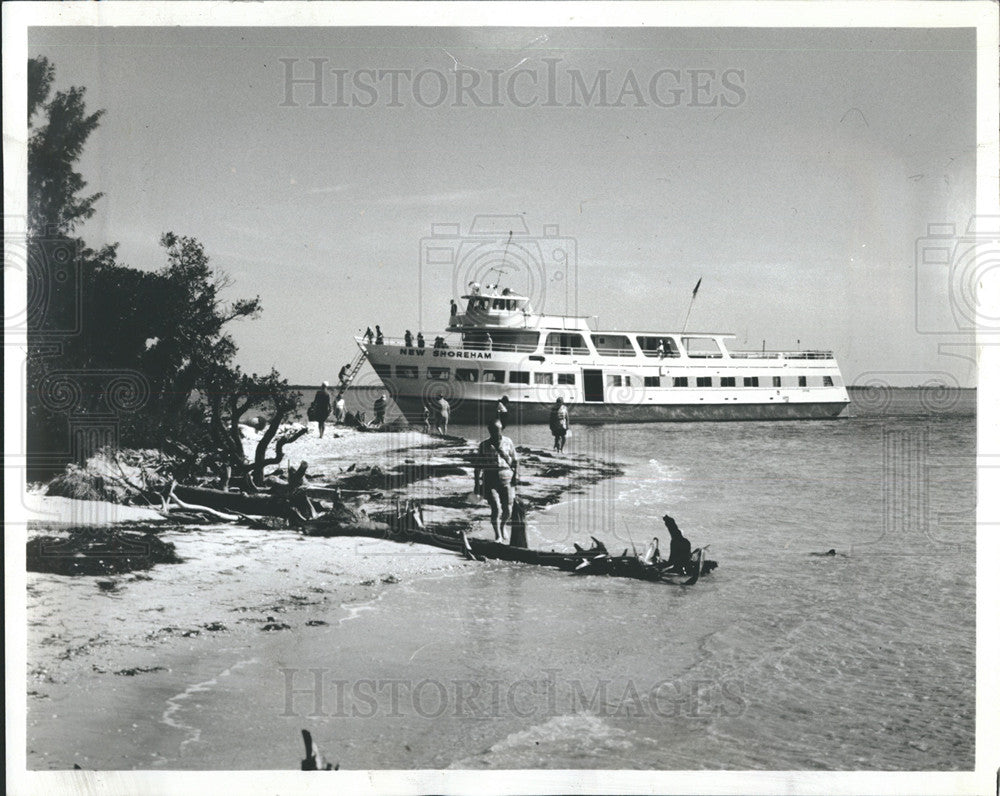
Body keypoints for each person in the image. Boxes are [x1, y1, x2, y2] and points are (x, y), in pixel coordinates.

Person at [474, 419, 519, 543]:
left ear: (501, 430)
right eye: (493, 431)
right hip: (490, 478)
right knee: (496, 508)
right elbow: (477, 466)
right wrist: (477, 483)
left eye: (498, 431)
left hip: (507, 478)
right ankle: (498, 535)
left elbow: (516, 460)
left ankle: (503, 526)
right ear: (489, 431)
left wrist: (516, 476)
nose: (496, 434)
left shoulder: (508, 442)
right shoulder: (484, 445)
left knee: (508, 509)